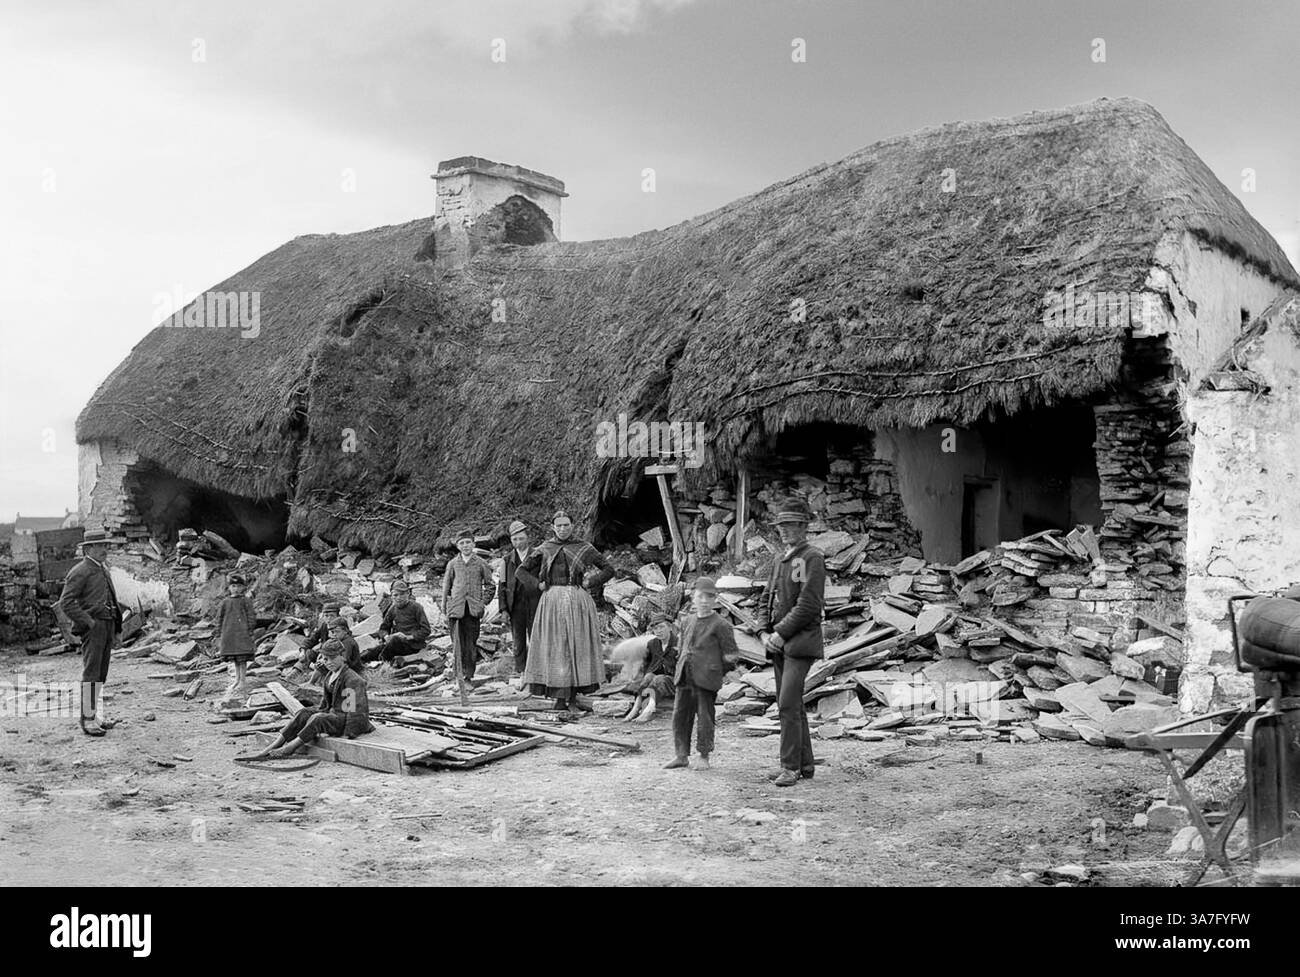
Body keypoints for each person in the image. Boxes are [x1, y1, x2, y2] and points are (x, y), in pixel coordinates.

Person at [755, 498, 826, 787]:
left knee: (786, 704)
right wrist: (762, 630)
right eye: (781, 526)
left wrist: (780, 632)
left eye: (791, 525)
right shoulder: (781, 559)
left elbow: (808, 604)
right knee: (793, 705)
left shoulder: (811, 558)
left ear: (804, 527)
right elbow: (766, 597)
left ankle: (789, 768)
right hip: (779, 644)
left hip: (801, 643)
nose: (785, 531)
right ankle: (805, 766)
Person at [520, 510, 615, 718]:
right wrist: (538, 584)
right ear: (553, 527)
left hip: (577, 600)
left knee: (576, 647)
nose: (563, 529)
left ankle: (572, 698)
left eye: (566, 525)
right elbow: (522, 571)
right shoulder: (544, 549)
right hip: (552, 601)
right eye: (559, 526)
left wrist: (591, 581)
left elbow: (609, 569)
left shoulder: (583, 547)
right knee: (556, 648)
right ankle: (559, 699)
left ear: (572, 526)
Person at [245, 640, 373, 759]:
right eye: (324, 658)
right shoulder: (330, 675)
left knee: (318, 718)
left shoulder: (351, 679)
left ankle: (290, 748)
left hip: (344, 719)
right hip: (333, 713)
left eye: (332, 658)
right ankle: (277, 743)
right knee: (303, 713)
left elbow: (355, 710)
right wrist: (318, 711)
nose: (328, 662)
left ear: (342, 656)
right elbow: (325, 703)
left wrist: (349, 734)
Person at [664, 577, 737, 770]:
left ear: (715, 600)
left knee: (705, 717)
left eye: (709, 597)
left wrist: (715, 669)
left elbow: (731, 655)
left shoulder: (721, 625)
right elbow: (681, 646)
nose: (704, 601)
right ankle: (681, 755)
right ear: (693, 598)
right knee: (680, 715)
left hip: (706, 679)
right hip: (685, 676)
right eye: (700, 596)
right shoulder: (687, 621)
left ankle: (704, 756)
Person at [57, 528, 123, 737]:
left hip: (107, 625)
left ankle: (95, 715)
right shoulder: (80, 571)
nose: (105, 549)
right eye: (101, 546)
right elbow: (65, 602)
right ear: (89, 548)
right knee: (91, 673)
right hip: (94, 629)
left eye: (106, 545)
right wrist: (88, 622)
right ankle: (87, 720)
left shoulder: (103, 569)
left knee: (101, 674)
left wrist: (118, 628)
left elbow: (112, 598)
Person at [442, 529, 496, 693]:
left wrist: (482, 603)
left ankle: (468, 677)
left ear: (473, 544)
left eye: (468, 542)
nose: (465, 546)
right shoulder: (452, 564)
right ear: (458, 546)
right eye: (462, 543)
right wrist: (445, 610)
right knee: (457, 643)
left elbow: (490, 585)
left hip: (473, 611)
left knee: (471, 644)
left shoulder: (481, 563)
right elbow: (446, 587)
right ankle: (458, 677)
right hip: (455, 610)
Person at [497, 520, 541, 677]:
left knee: (537, 637)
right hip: (515, 605)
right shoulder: (507, 560)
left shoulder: (538, 555)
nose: (518, 542)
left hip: (536, 603)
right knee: (518, 640)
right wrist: (503, 609)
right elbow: (502, 585)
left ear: (527, 538)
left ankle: (538, 670)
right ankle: (521, 670)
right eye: (515, 539)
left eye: (521, 538)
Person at [362, 580, 430, 663]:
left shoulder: (416, 607)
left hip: (413, 646)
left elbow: (426, 630)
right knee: (373, 651)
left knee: (394, 641)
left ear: (408, 594)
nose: (399, 598)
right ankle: (357, 661)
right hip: (395, 645)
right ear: (391, 596)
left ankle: (383, 662)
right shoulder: (392, 609)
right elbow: (383, 629)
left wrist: (409, 637)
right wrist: (386, 637)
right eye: (395, 595)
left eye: (402, 594)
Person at [216, 573, 257, 702]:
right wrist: (218, 631)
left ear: (243, 588)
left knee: (242, 658)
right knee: (235, 658)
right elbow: (220, 618)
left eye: (239, 586)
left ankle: (243, 680)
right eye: (233, 586)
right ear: (229, 588)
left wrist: (250, 629)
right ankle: (237, 679)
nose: (236, 589)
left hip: (242, 633)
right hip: (229, 633)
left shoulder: (245, 601)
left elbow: (251, 615)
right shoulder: (225, 602)